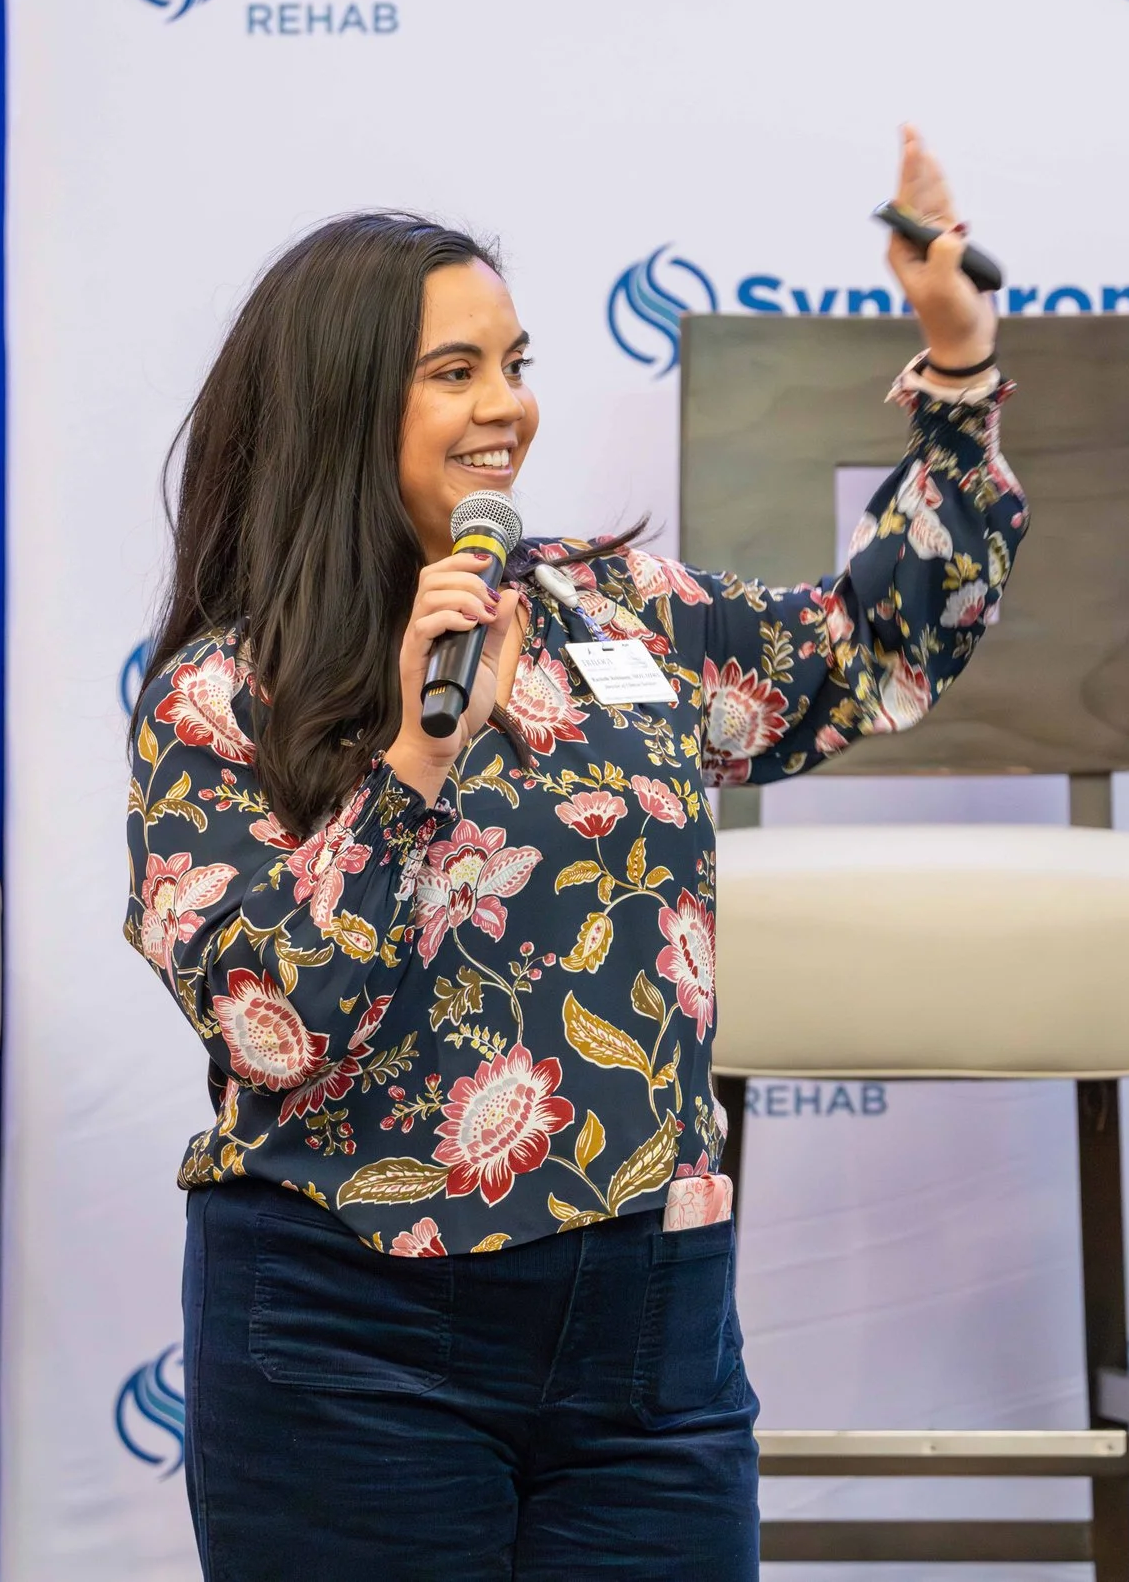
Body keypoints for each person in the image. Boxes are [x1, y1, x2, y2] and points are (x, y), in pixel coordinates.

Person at [125, 128, 1023, 1579]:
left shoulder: (620, 615)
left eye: (517, 363)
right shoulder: (223, 698)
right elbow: (267, 1021)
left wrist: (958, 364)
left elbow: (868, 652)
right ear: (343, 405)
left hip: (648, 1344)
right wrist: (416, 760)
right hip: (349, 1345)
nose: (509, 408)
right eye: (456, 371)